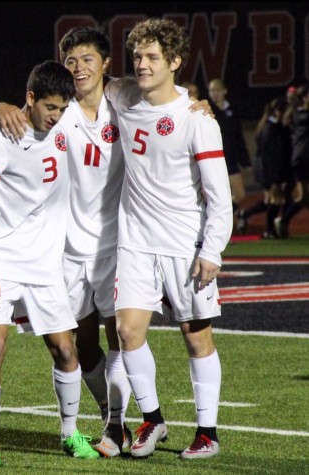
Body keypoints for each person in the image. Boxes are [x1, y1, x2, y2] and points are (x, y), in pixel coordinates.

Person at [0, 26, 215, 458]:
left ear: (106, 64)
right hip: (66, 248)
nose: (78, 68)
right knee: (80, 345)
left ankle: (117, 426)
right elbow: (17, 119)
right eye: (70, 61)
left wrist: (196, 104)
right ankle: (112, 414)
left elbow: (168, 94)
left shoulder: (125, 99)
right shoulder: (60, 110)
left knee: (120, 337)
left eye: (88, 59)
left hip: (118, 243)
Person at [0, 60, 100, 467]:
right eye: (49, 108)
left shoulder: (66, 124)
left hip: (44, 266)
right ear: (30, 98)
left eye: (62, 108)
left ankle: (70, 434)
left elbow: (109, 98)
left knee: (65, 351)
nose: (56, 117)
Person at [104, 18, 233, 459]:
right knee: (127, 330)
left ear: (174, 62)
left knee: (196, 337)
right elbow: (85, 78)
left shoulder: (196, 119)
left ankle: (207, 434)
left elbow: (220, 195)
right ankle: (153, 420)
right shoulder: (122, 95)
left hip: (184, 243)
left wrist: (211, 250)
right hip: (135, 240)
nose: (141, 64)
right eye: (137, 56)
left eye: (152, 57)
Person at [237, 96, 293, 238]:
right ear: (278, 112)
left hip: (266, 168)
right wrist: (275, 177)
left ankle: (246, 214)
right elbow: (271, 155)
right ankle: (269, 230)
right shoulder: (271, 129)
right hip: (268, 169)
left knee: (271, 200)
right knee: (275, 199)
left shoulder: (270, 126)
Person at [208, 78, 251, 217]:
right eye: (212, 90)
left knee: (240, 194)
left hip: (230, 160)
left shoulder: (232, 110)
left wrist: (245, 162)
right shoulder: (207, 110)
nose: (215, 93)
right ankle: (219, 226)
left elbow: (238, 137)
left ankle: (222, 217)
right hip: (213, 160)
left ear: (225, 91)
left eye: (218, 90)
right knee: (217, 197)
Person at [274, 82, 309, 238]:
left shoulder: (296, 113)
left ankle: (283, 221)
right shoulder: (301, 115)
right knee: (303, 196)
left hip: (300, 158)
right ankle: (283, 220)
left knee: (304, 196)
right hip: (304, 158)